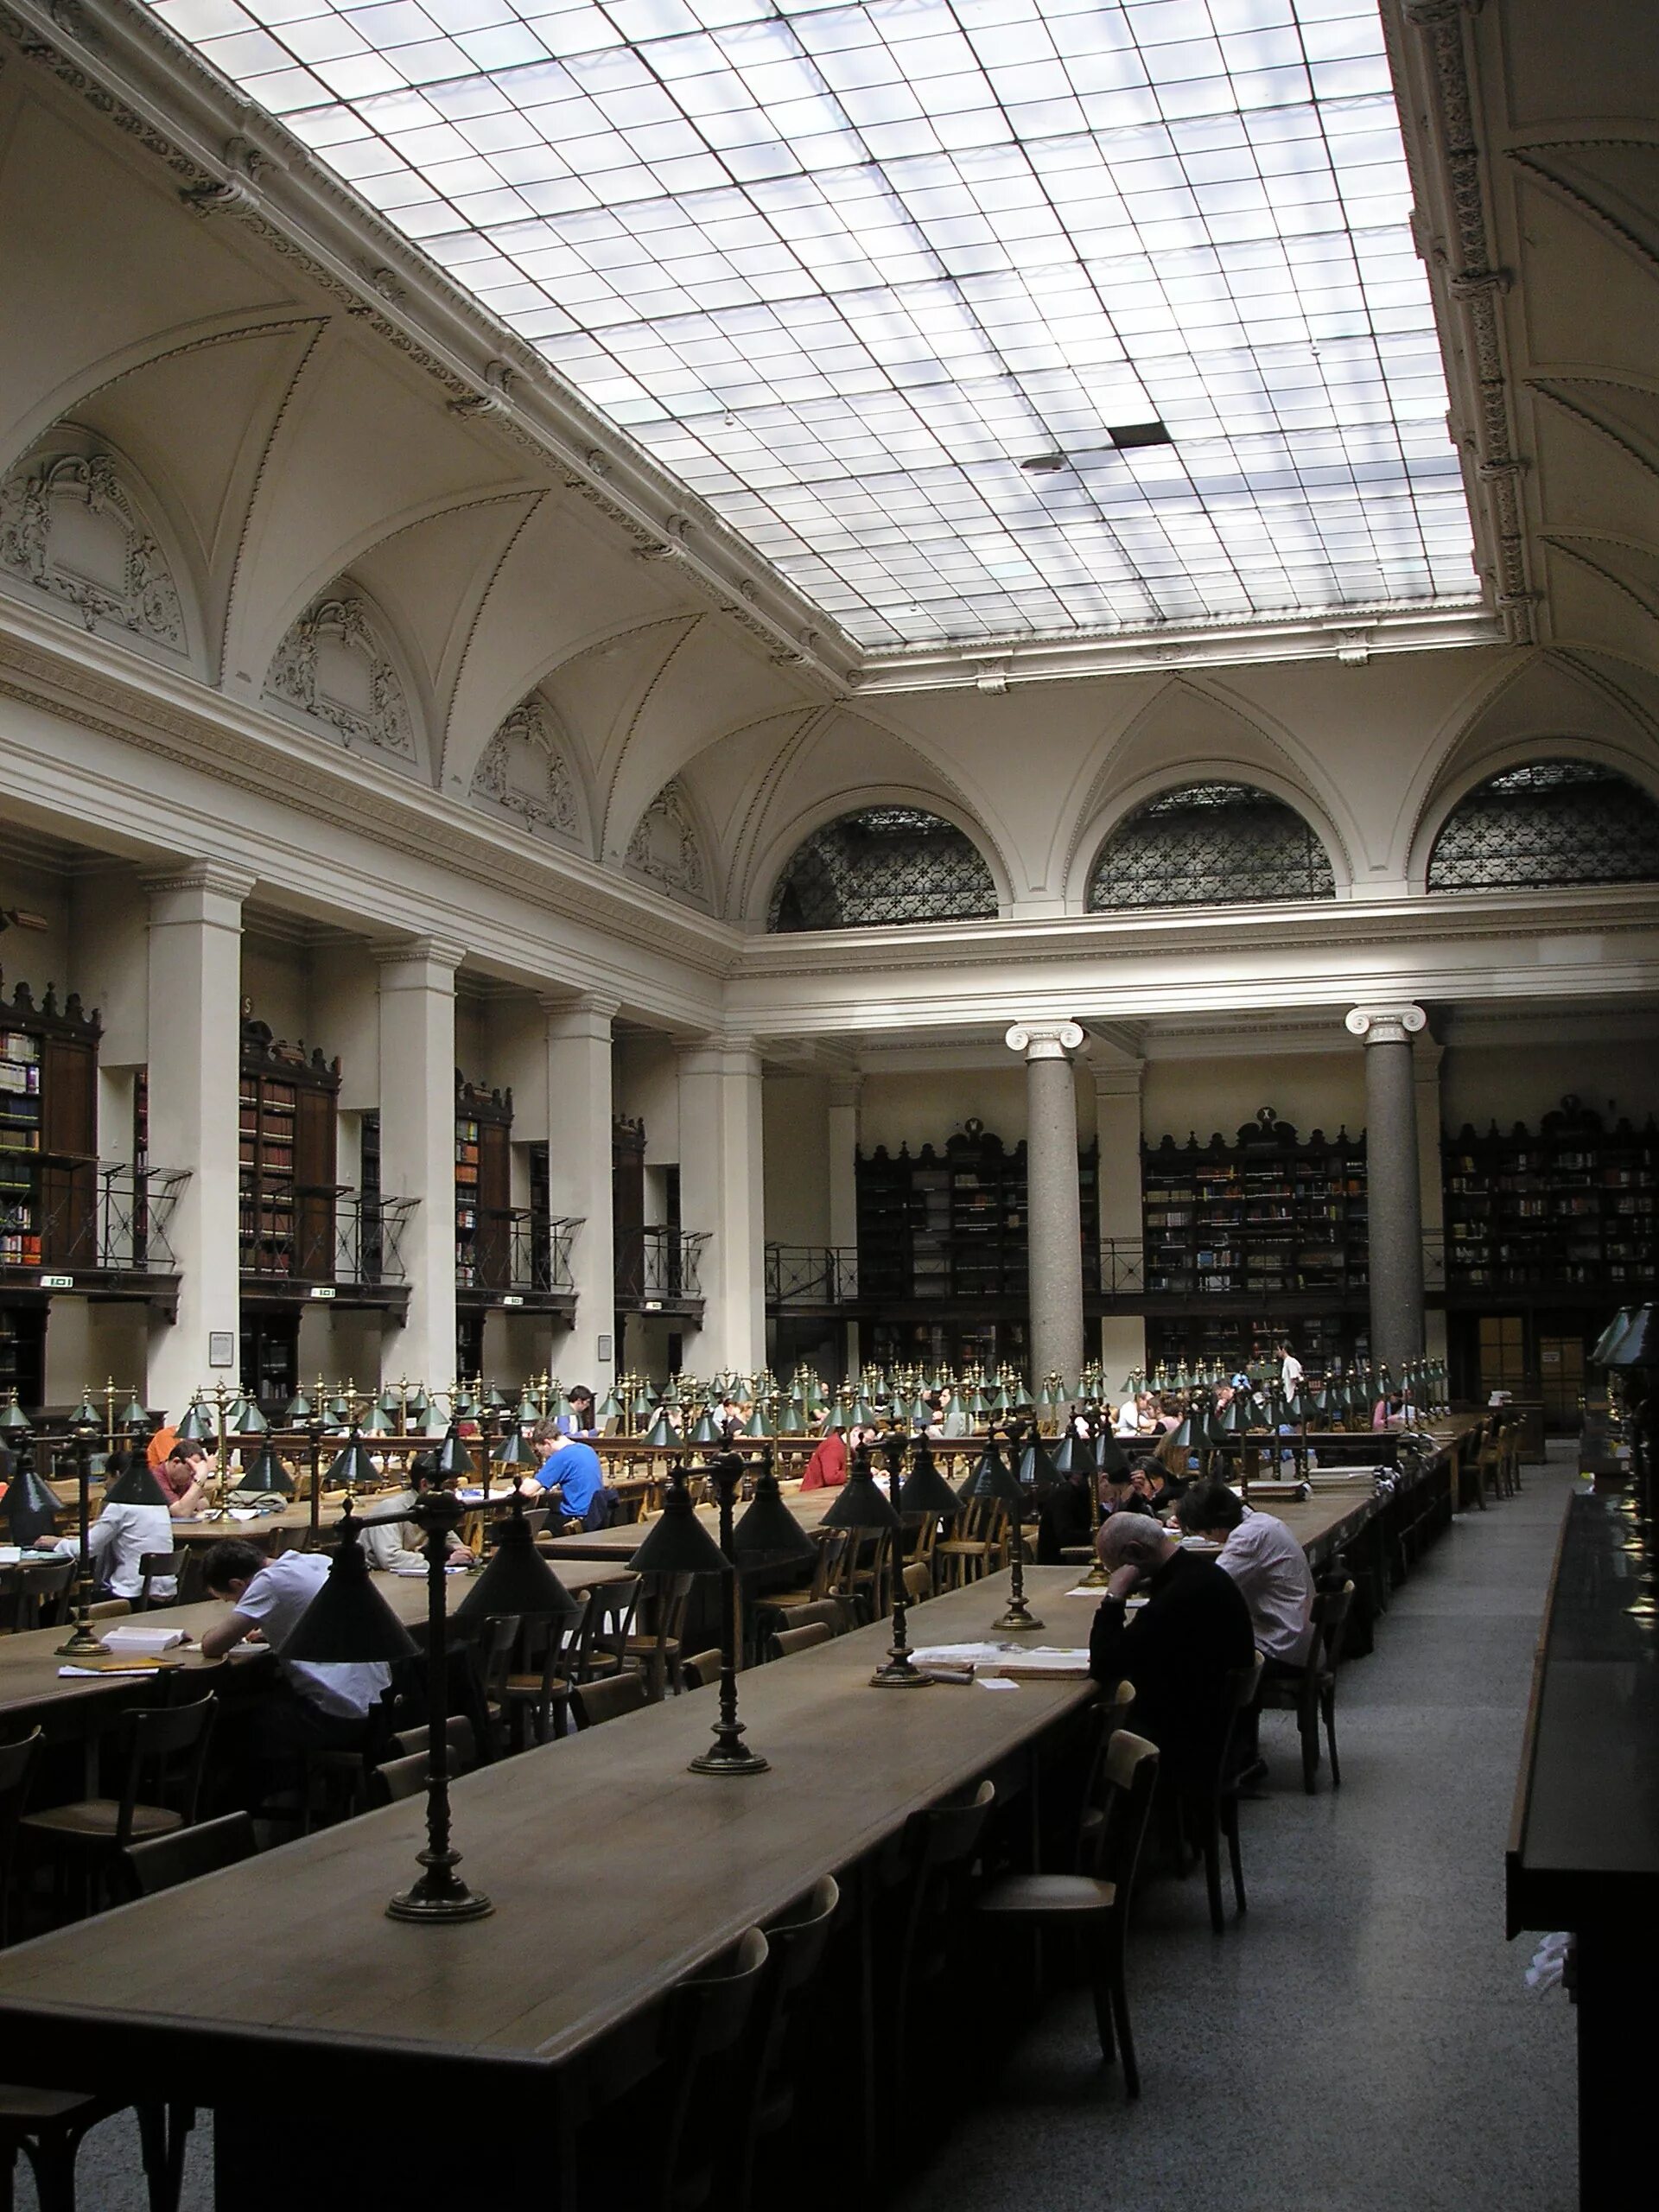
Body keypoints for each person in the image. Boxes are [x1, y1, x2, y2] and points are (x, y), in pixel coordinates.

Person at [200, 1538, 394, 1808]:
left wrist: (214, 1632)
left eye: (231, 1600)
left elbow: (213, 1646)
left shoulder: (267, 1583)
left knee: (227, 1727)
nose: (234, 1605)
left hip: (336, 1713)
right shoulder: (313, 1561)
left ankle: (228, 1816)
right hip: (376, 1701)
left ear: (237, 1584)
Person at [1087, 1511, 1255, 1784]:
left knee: (1080, 1741)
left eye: (1116, 1569)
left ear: (1135, 1552)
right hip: (1218, 1724)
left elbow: (1105, 1664)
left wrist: (1114, 1596)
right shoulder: (1200, 1573)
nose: (1119, 1577)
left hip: (1187, 1737)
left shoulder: (1176, 1597)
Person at [1176, 1482, 1317, 1784]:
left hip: (1283, 1646)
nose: (1205, 1539)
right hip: (1294, 1636)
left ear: (1213, 1527)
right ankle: (1241, 1753)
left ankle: (1234, 1758)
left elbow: (1211, 1587)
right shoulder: (1261, 1522)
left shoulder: (1247, 1539)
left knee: (1205, 1667)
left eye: (1202, 1533)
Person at [32, 1449, 175, 1601]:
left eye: (107, 1478)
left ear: (118, 1475)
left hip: (132, 1595)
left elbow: (87, 1550)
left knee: (48, 1612)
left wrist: (57, 1543)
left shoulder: (120, 1504)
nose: (105, 1485)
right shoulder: (158, 1502)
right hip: (164, 1593)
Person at [359, 1451, 474, 1573]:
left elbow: (454, 1545)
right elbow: (390, 1558)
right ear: (424, 1484)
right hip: (375, 1578)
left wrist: (460, 1552)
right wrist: (442, 1559)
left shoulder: (438, 1507)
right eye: (449, 1486)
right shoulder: (391, 1509)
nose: (454, 1493)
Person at [519, 1427, 609, 1529]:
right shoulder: (587, 1449)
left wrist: (526, 1481)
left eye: (541, 1451)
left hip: (576, 1519)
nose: (544, 1456)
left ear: (547, 1443)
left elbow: (527, 1491)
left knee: (523, 1525)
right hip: (595, 1516)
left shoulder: (561, 1456)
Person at [156, 1440, 213, 1517]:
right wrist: (199, 1479)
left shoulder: (183, 1480)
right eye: (189, 1469)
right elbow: (180, 1513)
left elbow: (204, 1503)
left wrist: (188, 1504)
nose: (192, 1475)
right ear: (176, 1462)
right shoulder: (156, 1479)